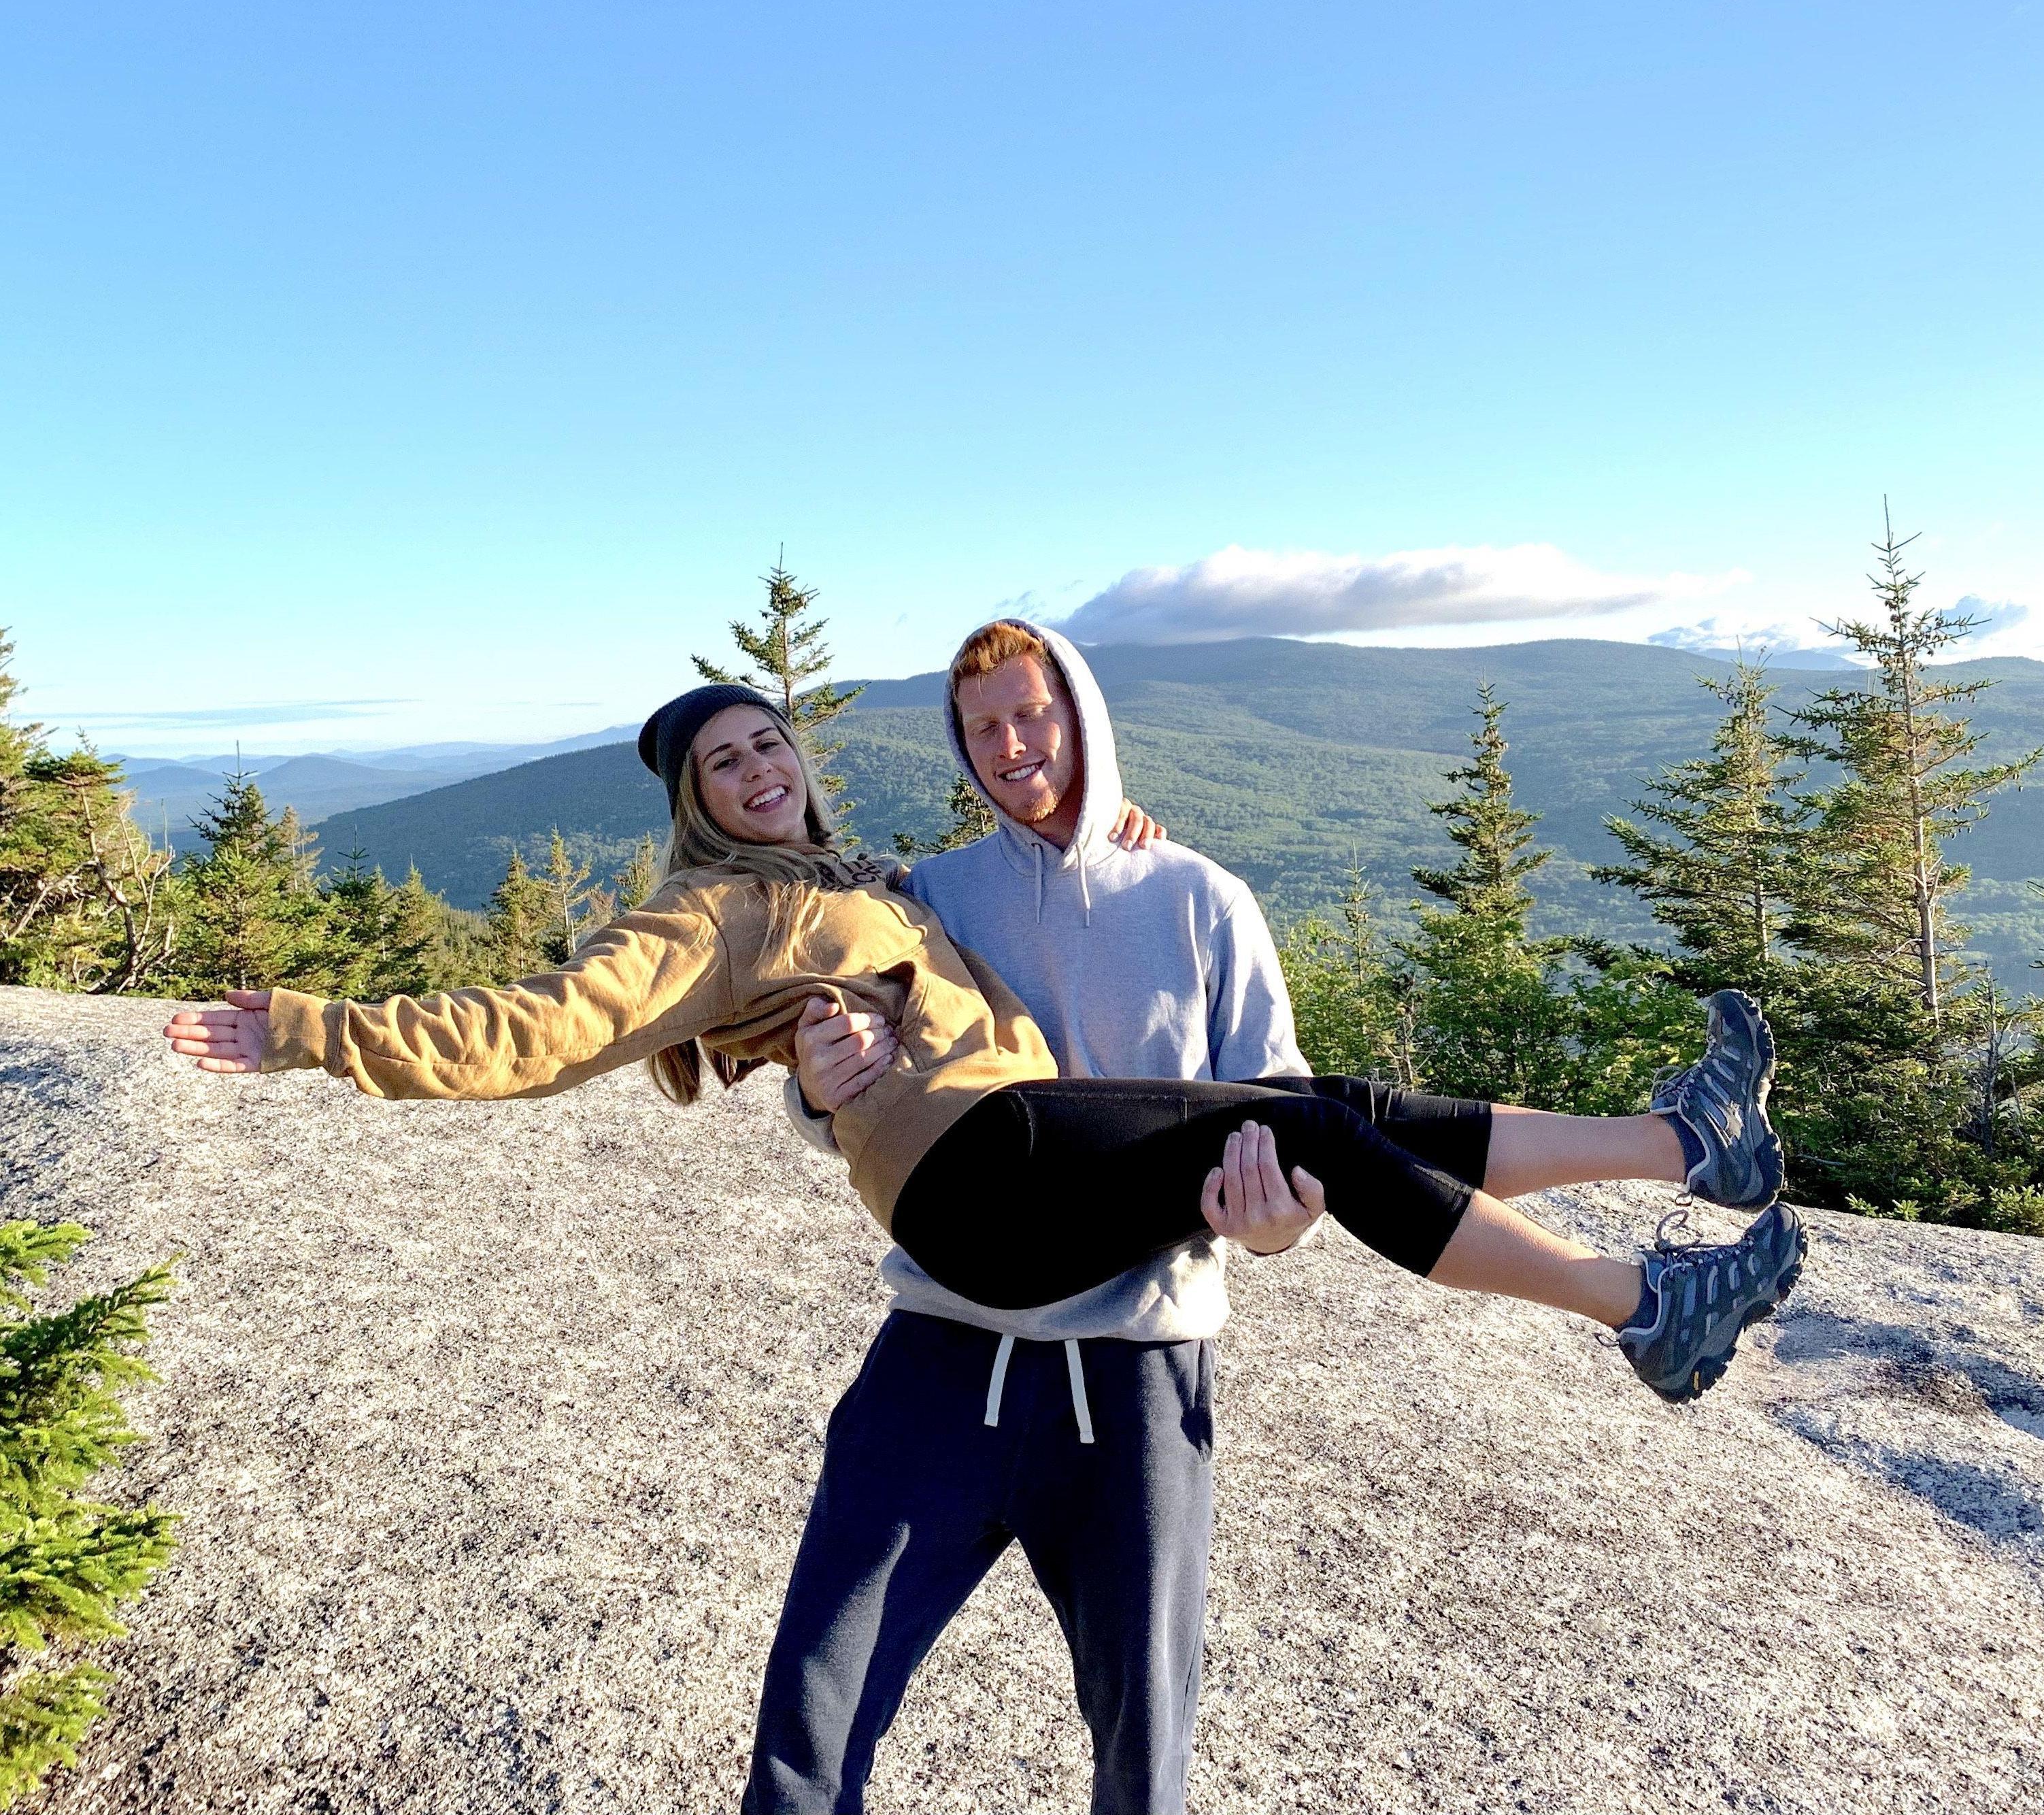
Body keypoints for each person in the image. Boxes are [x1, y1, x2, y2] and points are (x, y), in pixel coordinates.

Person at [164, 680, 1805, 1427]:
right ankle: (1642, 1310)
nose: (750, 768)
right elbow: (529, 1032)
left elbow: (1030, 855)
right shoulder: (719, 916)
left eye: (763, 740)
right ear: (693, 802)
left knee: (1321, 1106)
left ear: (799, 753)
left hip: (1025, 1153)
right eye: (718, 762)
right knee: (1307, 1126)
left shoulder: (883, 883)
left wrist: (1109, 827)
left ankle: (1687, 1142)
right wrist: (309, 1029)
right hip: (977, 1186)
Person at [746, 619, 1326, 1815]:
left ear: (1082, 714)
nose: (1011, 746)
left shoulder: (1203, 900)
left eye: (1032, 714)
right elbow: (842, 1112)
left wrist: (1272, 1225)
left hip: (1137, 1377)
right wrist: (820, 1076)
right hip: (941, 1354)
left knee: (1142, 1748)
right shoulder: (931, 898)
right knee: (809, 1716)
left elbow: (1286, 1138)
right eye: (982, 728)